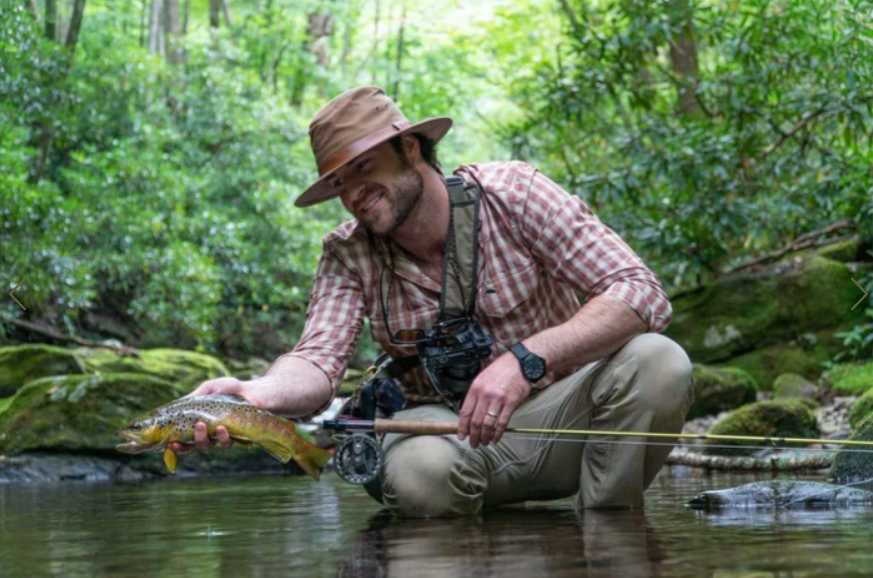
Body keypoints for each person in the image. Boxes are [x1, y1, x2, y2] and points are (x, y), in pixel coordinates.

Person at [175, 86, 694, 517]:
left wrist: (524, 359)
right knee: (421, 476)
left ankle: (605, 542)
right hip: (448, 444)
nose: (354, 192)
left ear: (412, 149)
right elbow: (317, 361)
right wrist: (254, 394)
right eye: (339, 182)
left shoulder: (513, 194)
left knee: (659, 360)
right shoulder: (346, 252)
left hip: (561, 423)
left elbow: (640, 292)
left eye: (363, 167)